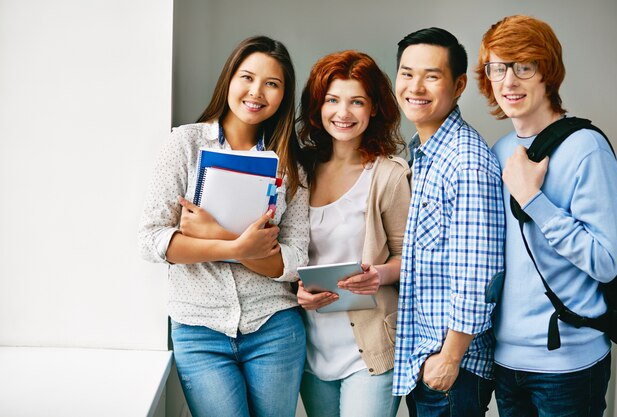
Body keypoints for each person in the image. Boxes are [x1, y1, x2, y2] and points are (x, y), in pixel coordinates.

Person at [137, 36, 309, 417]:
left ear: (284, 94)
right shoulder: (185, 144)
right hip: (199, 329)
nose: (256, 92)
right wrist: (240, 248)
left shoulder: (290, 165)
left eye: (272, 83)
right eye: (247, 77)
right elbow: (151, 240)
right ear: (229, 80)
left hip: (274, 327)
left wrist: (217, 235)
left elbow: (295, 261)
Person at [476, 15, 617, 417]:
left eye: (524, 66)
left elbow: (606, 262)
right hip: (506, 361)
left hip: (569, 365)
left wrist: (532, 198)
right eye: (497, 68)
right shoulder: (499, 150)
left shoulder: (586, 148)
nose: (509, 81)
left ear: (548, 72)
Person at [392, 28, 506, 417]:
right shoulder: (425, 153)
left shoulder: (465, 161)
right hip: (427, 359)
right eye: (406, 73)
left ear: (458, 86)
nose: (415, 86)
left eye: (431, 76)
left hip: (452, 370)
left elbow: (480, 273)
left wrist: (450, 358)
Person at [295, 50, 410, 417]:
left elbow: (409, 258)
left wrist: (379, 275)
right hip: (311, 348)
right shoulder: (300, 171)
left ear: (374, 108)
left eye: (356, 101)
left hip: (370, 347)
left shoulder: (389, 175)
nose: (343, 113)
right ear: (319, 104)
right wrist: (296, 291)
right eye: (332, 100)